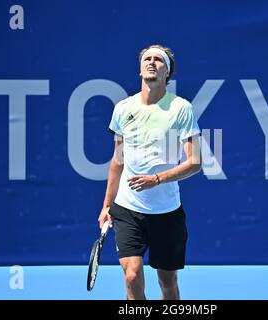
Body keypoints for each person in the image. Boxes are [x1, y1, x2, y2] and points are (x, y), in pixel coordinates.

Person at [97, 44, 202, 300]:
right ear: (140, 68)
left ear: (167, 72)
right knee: (131, 275)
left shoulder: (181, 108)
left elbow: (195, 162)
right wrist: (106, 205)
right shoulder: (123, 108)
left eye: (158, 60)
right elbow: (118, 161)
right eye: (147, 59)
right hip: (128, 208)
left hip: (166, 212)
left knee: (167, 281)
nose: (152, 63)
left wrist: (157, 179)